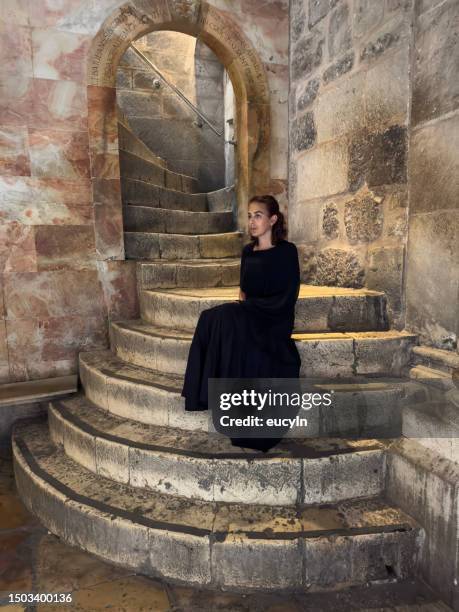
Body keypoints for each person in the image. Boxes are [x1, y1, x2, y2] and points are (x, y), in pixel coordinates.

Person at [181, 195, 301, 452]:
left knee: (228, 320)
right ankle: (204, 394)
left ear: (273, 219)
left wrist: (251, 311)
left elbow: (289, 295)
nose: (252, 221)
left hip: (275, 318)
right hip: (250, 311)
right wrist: (243, 309)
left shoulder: (287, 252)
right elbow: (244, 291)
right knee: (211, 318)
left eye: (258, 215)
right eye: (249, 216)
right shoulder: (247, 251)